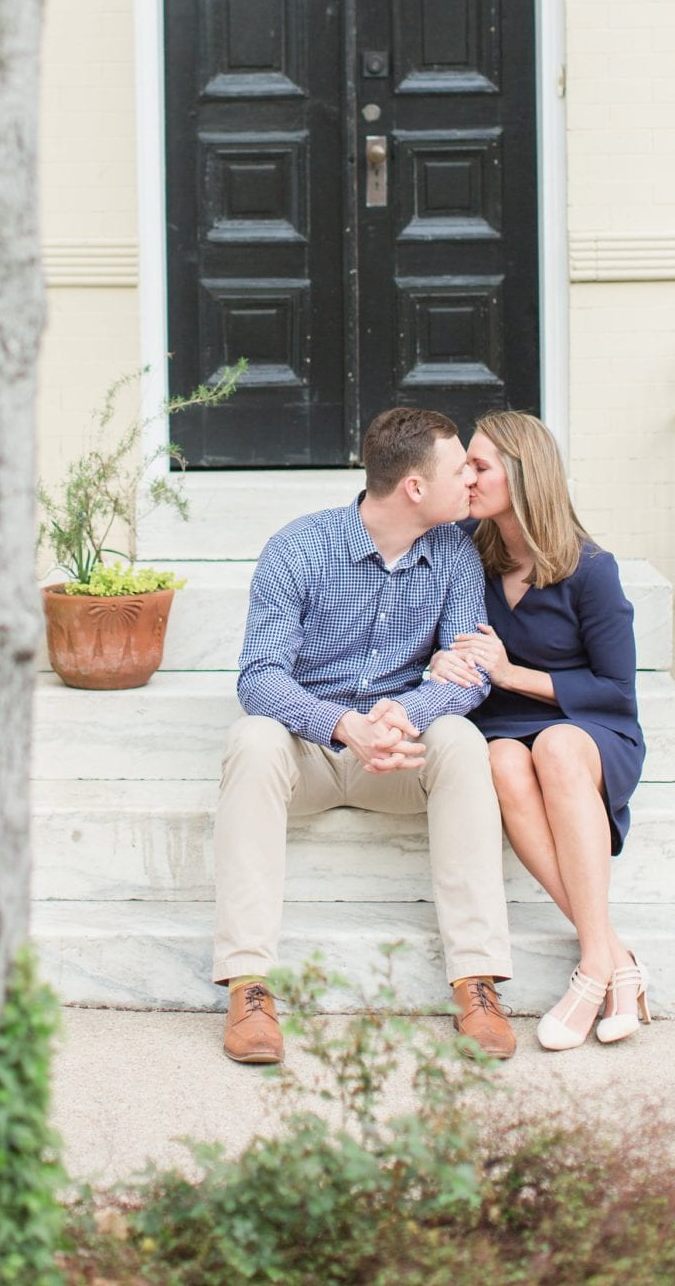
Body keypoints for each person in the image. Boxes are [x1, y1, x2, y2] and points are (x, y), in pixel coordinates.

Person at [213, 406, 514, 1067]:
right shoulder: (300, 548)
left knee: (462, 740)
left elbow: (468, 676)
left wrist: (405, 713)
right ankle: (248, 985)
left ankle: (477, 981)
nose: (469, 475)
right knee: (254, 738)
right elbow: (260, 677)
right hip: (314, 752)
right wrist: (344, 725)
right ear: (415, 487)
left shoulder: (456, 555)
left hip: (398, 755)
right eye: (458, 464)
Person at [429, 411, 647, 1051]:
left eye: (480, 465)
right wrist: (441, 659)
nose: (467, 476)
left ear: (522, 476)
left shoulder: (590, 570)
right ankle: (614, 955)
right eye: (466, 463)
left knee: (553, 746)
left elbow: (616, 690)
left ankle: (591, 970)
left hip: (588, 728)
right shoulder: (468, 548)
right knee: (498, 759)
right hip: (504, 728)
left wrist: (512, 674)